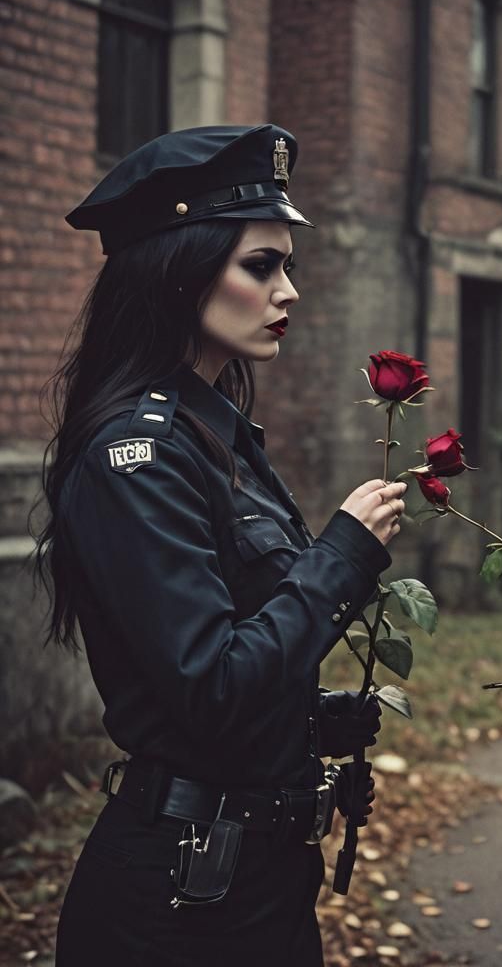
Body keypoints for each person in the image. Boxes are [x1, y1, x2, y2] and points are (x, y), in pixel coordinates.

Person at [35, 124, 407, 965]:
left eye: (288, 266)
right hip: (179, 901)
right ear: (179, 271)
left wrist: (312, 722)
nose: (288, 293)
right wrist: (343, 554)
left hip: (262, 881)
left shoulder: (220, 437)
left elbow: (238, 654)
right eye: (260, 266)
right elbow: (210, 684)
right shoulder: (138, 456)